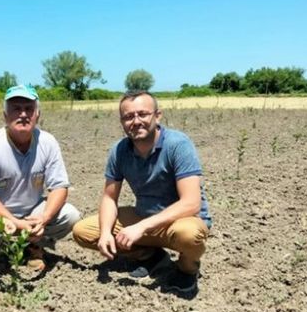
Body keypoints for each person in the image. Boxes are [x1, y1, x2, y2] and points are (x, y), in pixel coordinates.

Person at [72, 90, 212, 293]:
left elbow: (191, 203)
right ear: (122, 122)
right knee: (83, 231)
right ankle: (150, 256)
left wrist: (141, 227)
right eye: (128, 117)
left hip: (181, 220)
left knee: (189, 235)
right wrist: (104, 234)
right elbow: (109, 198)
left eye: (142, 114)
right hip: (145, 215)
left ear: (158, 115)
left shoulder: (178, 145)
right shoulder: (119, 151)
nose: (135, 121)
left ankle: (186, 268)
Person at [0, 84, 81, 271]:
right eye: (16, 109)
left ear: (37, 115)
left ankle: (33, 247)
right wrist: (14, 221)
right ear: (5, 116)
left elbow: (60, 186)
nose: (23, 114)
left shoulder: (47, 142)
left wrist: (44, 218)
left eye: (29, 109)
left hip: (33, 211)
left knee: (70, 216)